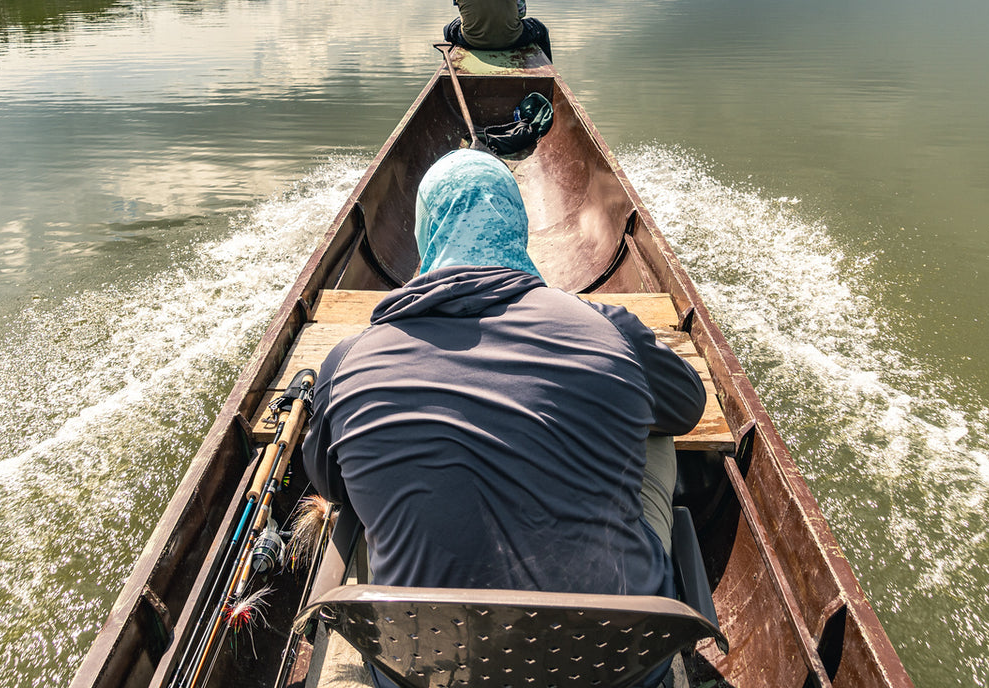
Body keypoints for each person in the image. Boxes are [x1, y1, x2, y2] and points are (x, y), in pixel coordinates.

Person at [302, 148, 704, 606]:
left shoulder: (349, 358)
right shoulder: (609, 327)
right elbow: (688, 405)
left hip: (420, 670)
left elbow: (329, 483)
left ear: (423, 232)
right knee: (655, 418)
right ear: (517, 228)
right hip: (617, 662)